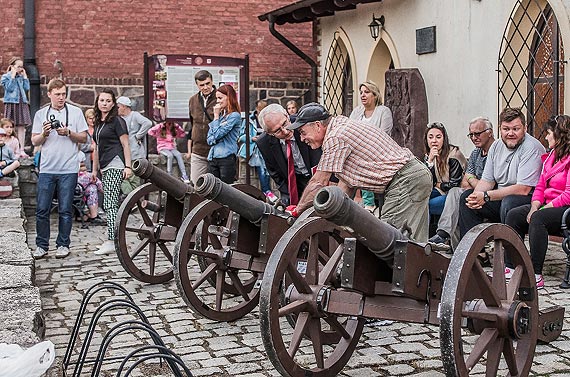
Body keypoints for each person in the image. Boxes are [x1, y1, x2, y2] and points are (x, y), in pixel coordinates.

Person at [287, 102, 432, 242]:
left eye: (302, 132)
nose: (302, 138)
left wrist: (297, 211)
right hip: (414, 175)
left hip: (405, 181)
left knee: (388, 243)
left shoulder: (335, 137)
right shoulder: (343, 127)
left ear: (318, 125)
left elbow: (318, 182)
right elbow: (345, 188)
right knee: (414, 245)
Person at [505, 115, 570, 289]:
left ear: (559, 134)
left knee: (538, 219)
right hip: (546, 206)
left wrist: (541, 209)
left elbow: (568, 195)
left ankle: (536, 273)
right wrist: (534, 206)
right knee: (514, 215)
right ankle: (512, 266)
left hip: (565, 210)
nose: (546, 137)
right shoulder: (550, 157)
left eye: (549, 133)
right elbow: (540, 187)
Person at [459, 107, 545, 237]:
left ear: (525, 128)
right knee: (467, 197)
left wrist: (487, 196)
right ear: (500, 129)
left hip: (528, 200)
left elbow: (523, 189)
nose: (510, 133)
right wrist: (475, 197)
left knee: (509, 202)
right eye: (506, 129)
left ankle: (510, 252)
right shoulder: (496, 146)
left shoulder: (531, 147)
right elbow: (487, 181)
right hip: (500, 198)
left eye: (515, 129)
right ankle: (475, 252)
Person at [31, 78, 88, 259]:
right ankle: (42, 246)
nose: (61, 97)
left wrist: (69, 133)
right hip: (47, 168)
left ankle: (63, 244)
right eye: (57, 94)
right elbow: (34, 141)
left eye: (64, 94)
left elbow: (84, 138)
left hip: (69, 168)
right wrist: (44, 133)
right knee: (42, 209)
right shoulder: (41, 114)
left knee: (65, 209)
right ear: (49, 94)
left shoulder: (76, 112)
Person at [428, 117, 495, 248]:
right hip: (469, 194)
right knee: (424, 197)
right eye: (471, 135)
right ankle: (440, 238)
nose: (474, 137)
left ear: (490, 132)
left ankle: (444, 236)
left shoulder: (496, 151)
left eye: (478, 133)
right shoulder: (476, 152)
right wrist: (430, 161)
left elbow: (488, 183)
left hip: (490, 197)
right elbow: (465, 182)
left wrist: (471, 179)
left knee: (455, 195)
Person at [91, 89, 132, 255]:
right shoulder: (99, 122)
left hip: (116, 163)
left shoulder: (117, 121)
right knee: (108, 202)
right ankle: (111, 238)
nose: (104, 103)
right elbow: (97, 147)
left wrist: (128, 166)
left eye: (108, 101)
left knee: (110, 202)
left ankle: (112, 241)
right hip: (104, 165)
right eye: (102, 100)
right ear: (98, 102)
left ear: (113, 103)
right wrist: (94, 170)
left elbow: (126, 145)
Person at [257, 104, 323, 206]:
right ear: (269, 133)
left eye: (284, 123)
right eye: (277, 130)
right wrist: (286, 195)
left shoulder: (304, 123)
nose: (285, 131)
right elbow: (274, 172)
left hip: (319, 175)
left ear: (287, 116)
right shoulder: (264, 142)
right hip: (295, 183)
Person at [349, 80, 394, 211]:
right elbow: (350, 131)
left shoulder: (383, 111)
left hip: (378, 153)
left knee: (362, 162)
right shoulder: (357, 111)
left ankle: (368, 203)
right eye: (361, 92)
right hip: (358, 152)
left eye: (367, 92)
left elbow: (384, 135)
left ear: (375, 95)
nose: (363, 95)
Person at [423, 122, 466, 216]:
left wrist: (439, 185)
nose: (434, 141)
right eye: (430, 137)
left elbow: (454, 185)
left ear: (444, 139)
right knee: (417, 200)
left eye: (438, 137)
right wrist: (429, 161)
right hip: (440, 190)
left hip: (455, 194)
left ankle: (427, 231)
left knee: (426, 206)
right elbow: (426, 182)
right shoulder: (430, 155)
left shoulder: (454, 155)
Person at [238, 100, 275, 201]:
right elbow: (241, 137)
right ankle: (266, 191)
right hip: (254, 149)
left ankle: (267, 191)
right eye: (260, 110)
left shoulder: (270, 120)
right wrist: (252, 138)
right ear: (257, 110)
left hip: (267, 148)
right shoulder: (249, 120)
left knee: (267, 168)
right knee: (262, 167)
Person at [117, 96, 154, 194]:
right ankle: (131, 200)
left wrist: (138, 136)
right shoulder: (119, 118)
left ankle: (134, 202)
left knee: (134, 180)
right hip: (123, 154)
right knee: (123, 178)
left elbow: (148, 123)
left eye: (118, 107)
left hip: (135, 153)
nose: (117, 109)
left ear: (124, 106)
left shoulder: (134, 115)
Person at [206, 84, 241, 183]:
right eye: (217, 98)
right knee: (212, 189)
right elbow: (209, 139)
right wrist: (217, 118)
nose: (217, 101)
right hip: (213, 157)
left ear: (229, 97)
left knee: (226, 190)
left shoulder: (234, 116)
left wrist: (216, 117)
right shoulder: (221, 116)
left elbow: (217, 135)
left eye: (220, 98)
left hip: (226, 157)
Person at [186, 70, 216, 184]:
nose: (205, 87)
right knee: (196, 185)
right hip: (198, 149)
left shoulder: (220, 98)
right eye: (202, 85)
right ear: (197, 85)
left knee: (216, 187)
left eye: (208, 83)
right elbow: (192, 123)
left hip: (215, 149)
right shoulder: (193, 100)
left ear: (212, 81)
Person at [1, 57, 32, 153]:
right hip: (11, 103)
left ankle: (21, 149)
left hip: (21, 102)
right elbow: (9, 88)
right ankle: (9, 149)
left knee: (21, 126)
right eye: (18, 67)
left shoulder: (21, 77)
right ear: (12, 67)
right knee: (10, 126)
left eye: (21, 67)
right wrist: (13, 76)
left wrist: (25, 77)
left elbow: (27, 88)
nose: (20, 69)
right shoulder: (6, 77)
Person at [77, 152, 105, 225]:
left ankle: (92, 215)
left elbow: (83, 167)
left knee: (92, 188)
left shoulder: (79, 153)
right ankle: (106, 192)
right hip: (74, 179)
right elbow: (81, 168)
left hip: (79, 180)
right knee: (93, 179)